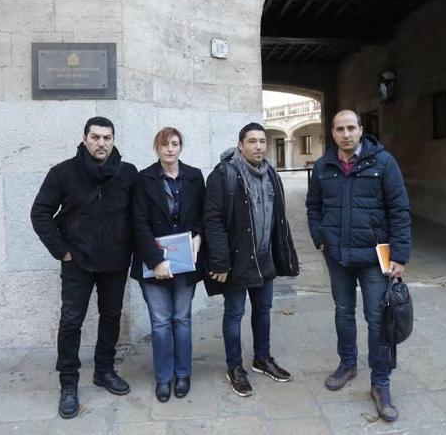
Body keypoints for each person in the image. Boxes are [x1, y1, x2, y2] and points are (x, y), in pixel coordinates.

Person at [305, 110, 411, 422]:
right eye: (340, 129)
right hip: (337, 255)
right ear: (333, 132)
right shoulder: (324, 166)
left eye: (351, 128)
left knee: (378, 319)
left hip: (374, 258)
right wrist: (319, 237)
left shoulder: (384, 163)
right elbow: (313, 206)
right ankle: (347, 364)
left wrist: (400, 256)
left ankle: (380, 383)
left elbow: (400, 210)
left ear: (361, 130)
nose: (346, 134)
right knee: (343, 312)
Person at [31, 116, 138, 419]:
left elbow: (139, 216)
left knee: (111, 316)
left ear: (114, 140)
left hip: (115, 262)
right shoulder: (63, 173)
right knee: (71, 321)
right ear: (85, 138)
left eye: (107, 137)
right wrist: (62, 251)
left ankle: (104, 370)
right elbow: (40, 213)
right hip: (77, 262)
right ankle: (68, 383)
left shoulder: (128, 174)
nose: (101, 143)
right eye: (95, 137)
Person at [203, 122, 300, 397]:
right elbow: (212, 221)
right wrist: (220, 261)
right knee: (234, 314)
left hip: (264, 258)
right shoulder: (223, 175)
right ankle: (234, 367)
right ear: (240, 145)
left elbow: (278, 218)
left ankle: (262, 358)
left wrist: (284, 253)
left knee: (263, 310)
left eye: (262, 141)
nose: (258, 146)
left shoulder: (271, 174)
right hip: (236, 261)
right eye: (252, 141)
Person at [131, 127, 206, 402]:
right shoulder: (144, 179)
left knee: (181, 319)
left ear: (180, 147)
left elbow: (203, 215)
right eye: (165, 144)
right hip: (153, 264)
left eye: (175, 144)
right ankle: (164, 377)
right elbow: (138, 223)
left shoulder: (195, 176)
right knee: (161, 322)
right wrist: (157, 261)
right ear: (157, 148)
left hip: (186, 261)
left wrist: (198, 238)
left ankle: (183, 374)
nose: (170, 149)